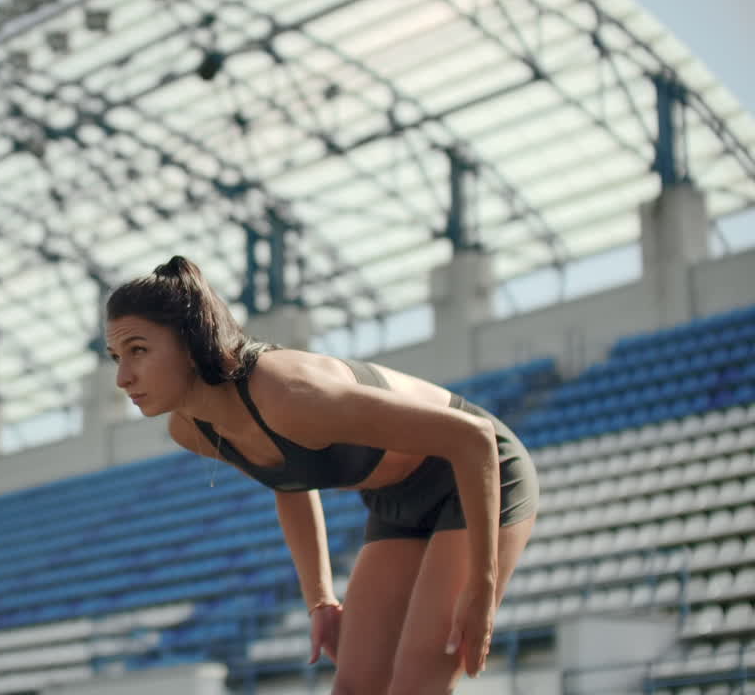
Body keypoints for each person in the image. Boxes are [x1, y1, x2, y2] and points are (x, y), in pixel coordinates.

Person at [104, 255, 539, 694]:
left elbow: (474, 438)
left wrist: (482, 585)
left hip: (477, 472)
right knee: (354, 688)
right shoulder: (189, 428)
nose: (123, 377)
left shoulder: (289, 394)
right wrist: (321, 600)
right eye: (116, 356)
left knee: (417, 685)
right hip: (397, 504)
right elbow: (288, 485)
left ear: (190, 342)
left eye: (138, 350)